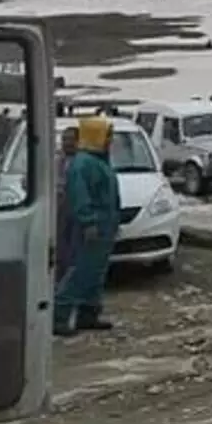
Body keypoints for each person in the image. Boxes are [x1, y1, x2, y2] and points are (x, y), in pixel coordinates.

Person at [53, 116, 123, 336]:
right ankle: (59, 315)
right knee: (81, 271)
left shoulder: (99, 161)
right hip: (92, 227)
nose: (110, 141)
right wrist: (88, 221)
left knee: (96, 272)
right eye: (107, 136)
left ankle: (88, 314)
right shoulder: (83, 164)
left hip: (105, 225)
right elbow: (80, 196)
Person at [54, 127, 80, 280]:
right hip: (58, 210)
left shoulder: (83, 162)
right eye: (64, 139)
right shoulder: (55, 160)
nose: (67, 143)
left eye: (71, 139)